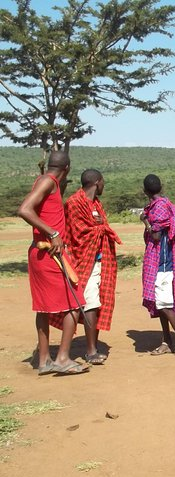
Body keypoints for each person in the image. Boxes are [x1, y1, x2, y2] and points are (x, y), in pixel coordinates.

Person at [17, 151, 89, 375]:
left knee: (44, 307)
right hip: (50, 253)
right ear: (67, 168)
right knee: (75, 302)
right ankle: (63, 358)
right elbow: (24, 209)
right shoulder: (49, 182)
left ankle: (44, 360)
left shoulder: (44, 180)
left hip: (40, 252)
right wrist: (53, 232)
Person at [52, 169, 121, 365]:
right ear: (97, 182)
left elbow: (98, 227)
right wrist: (100, 229)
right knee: (90, 303)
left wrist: (100, 228)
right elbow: (79, 234)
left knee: (97, 303)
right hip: (83, 261)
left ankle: (93, 346)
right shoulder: (74, 203)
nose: (104, 186)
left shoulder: (96, 204)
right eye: (103, 182)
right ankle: (91, 351)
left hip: (99, 261)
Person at [141, 174, 175, 358]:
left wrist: (145, 221)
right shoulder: (164, 205)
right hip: (163, 264)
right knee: (160, 303)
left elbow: (155, 236)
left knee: (164, 305)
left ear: (145, 191)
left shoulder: (159, 208)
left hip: (164, 265)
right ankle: (167, 341)